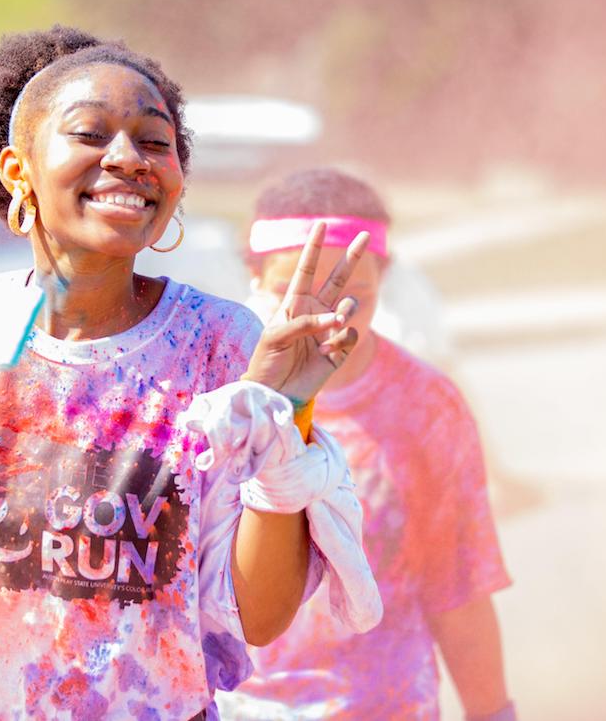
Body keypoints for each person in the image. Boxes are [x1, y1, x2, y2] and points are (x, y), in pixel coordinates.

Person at [0, 26, 382, 720]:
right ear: (19, 172)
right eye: (91, 134)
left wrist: (286, 418)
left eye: (154, 141)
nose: (128, 158)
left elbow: (258, 616)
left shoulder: (221, 346)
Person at [220, 168, 514, 721]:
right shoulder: (212, 391)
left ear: (385, 281)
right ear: (253, 276)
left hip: (385, 706)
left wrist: (493, 713)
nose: (330, 320)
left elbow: (459, 589)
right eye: (296, 295)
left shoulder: (426, 408)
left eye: (355, 296)